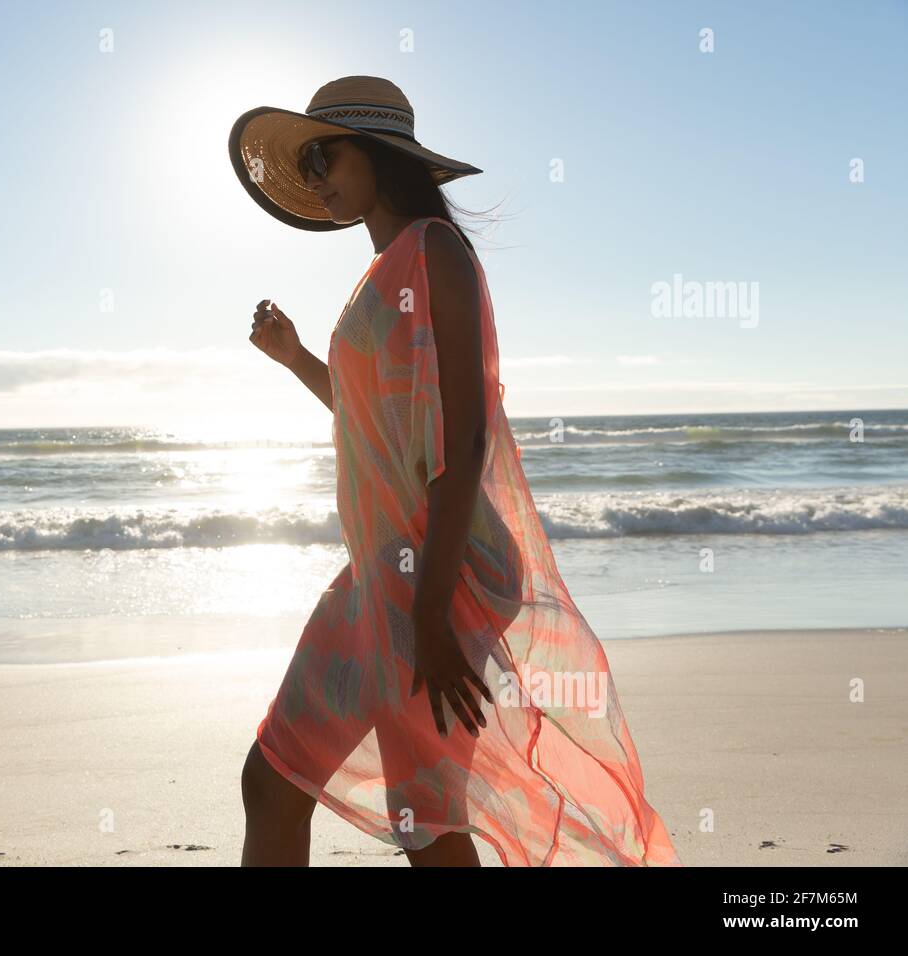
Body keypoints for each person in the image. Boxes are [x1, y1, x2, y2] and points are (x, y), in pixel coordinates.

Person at [230, 76, 681, 867]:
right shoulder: (380, 273)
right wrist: (297, 357)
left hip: (440, 573)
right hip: (381, 575)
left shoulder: (434, 251)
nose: (315, 177)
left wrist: (433, 617)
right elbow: (380, 425)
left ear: (376, 154)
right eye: (305, 165)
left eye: (323, 155)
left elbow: (463, 439)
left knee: (424, 817)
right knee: (276, 778)